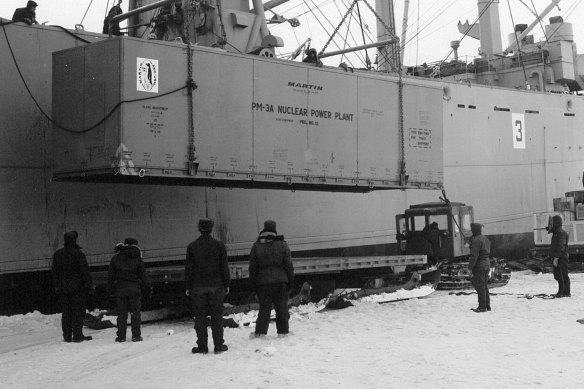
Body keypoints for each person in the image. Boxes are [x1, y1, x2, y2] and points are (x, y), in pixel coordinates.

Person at [185, 218, 230, 354]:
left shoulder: (192, 246)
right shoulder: (219, 245)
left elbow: (189, 269)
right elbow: (224, 267)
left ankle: (202, 347)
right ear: (211, 228)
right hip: (216, 286)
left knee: (200, 317)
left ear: (199, 229)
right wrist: (226, 284)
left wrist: (188, 286)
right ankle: (218, 345)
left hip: (198, 287)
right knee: (217, 316)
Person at [249, 220, 294, 337]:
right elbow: (288, 265)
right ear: (274, 229)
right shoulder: (282, 244)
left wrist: (253, 285)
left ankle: (260, 333)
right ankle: (283, 332)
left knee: (264, 309)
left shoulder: (257, 245)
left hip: (263, 282)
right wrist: (290, 281)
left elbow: (253, 267)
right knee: (281, 308)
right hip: (280, 281)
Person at [51, 231, 93, 342]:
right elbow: (84, 271)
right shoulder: (78, 254)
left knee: (66, 312)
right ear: (75, 240)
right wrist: (89, 285)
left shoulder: (58, 254)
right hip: (77, 288)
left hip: (63, 288)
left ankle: (67, 336)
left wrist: (56, 285)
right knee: (77, 312)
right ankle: (78, 336)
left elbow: (54, 271)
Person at [108, 237, 149, 342]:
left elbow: (111, 277)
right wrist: (147, 288)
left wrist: (111, 289)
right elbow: (143, 277)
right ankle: (136, 336)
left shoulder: (115, 258)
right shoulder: (137, 258)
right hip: (134, 289)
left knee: (121, 314)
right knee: (135, 314)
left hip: (121, 289)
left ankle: (121, 336)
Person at [468, 223, 491, 313]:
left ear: (474, 230)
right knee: (485, 286)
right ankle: (487, 306)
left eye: (472, 229)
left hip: (479, 265)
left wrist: (470, 267)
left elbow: (474, 256)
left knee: (480, 286)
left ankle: (482, 307)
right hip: (487, 263)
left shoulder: (476, 240)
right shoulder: (485, 238)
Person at [549, 215, 570, 297]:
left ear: (557, 223)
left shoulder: (561, 233)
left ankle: (565, 292)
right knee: (558, 275)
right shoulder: (556, 233)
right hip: (558, 257)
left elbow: (561, 247)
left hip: (562, 257)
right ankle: (561, 292)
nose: (552, 225)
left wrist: (556, 258)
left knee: (563, 275)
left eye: (553, 223)